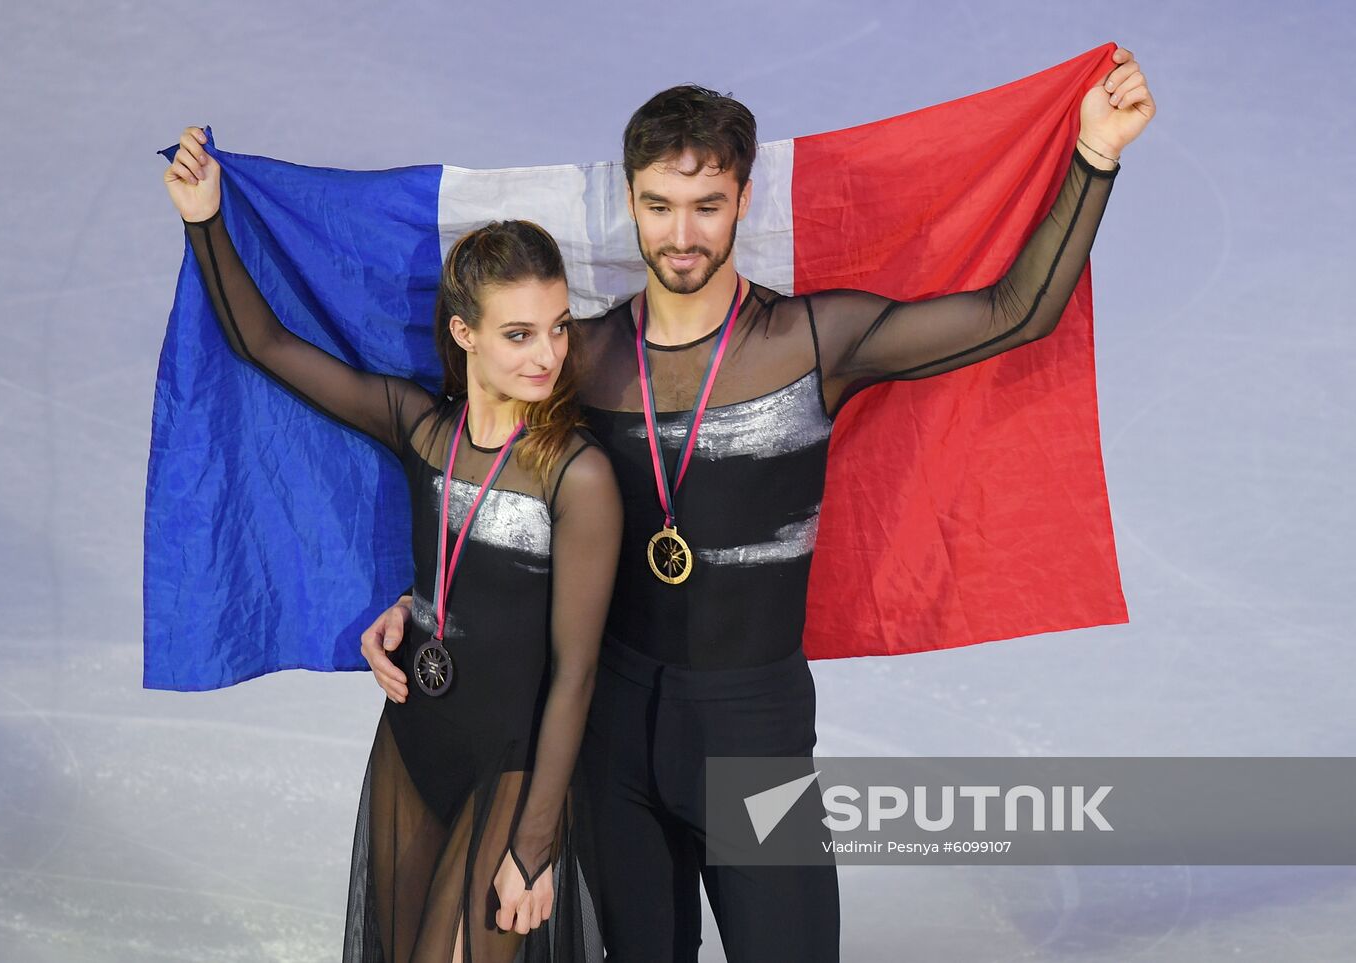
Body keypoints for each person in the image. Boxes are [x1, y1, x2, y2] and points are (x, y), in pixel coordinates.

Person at [361, 46, 1154, 962]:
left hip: (754, 740)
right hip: (611, 734)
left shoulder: (813, 341)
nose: (682, 234)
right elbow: (474, 461)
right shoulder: (580, 356)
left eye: (707, 205)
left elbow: (1018, 310)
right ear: (631, 202)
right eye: (659, 206)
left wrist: (1094, 155)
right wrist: (428, 604)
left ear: (743, 199)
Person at [163, 126, 623, 963]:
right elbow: (263, 344)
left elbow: (576, 672)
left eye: (557, 328)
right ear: (464, 334)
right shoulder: (420, 427)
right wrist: (205, 222)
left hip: (513, 769)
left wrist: (536, 845)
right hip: (411, 744)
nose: (548, 354)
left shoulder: (576, 474)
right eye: (519, 334)